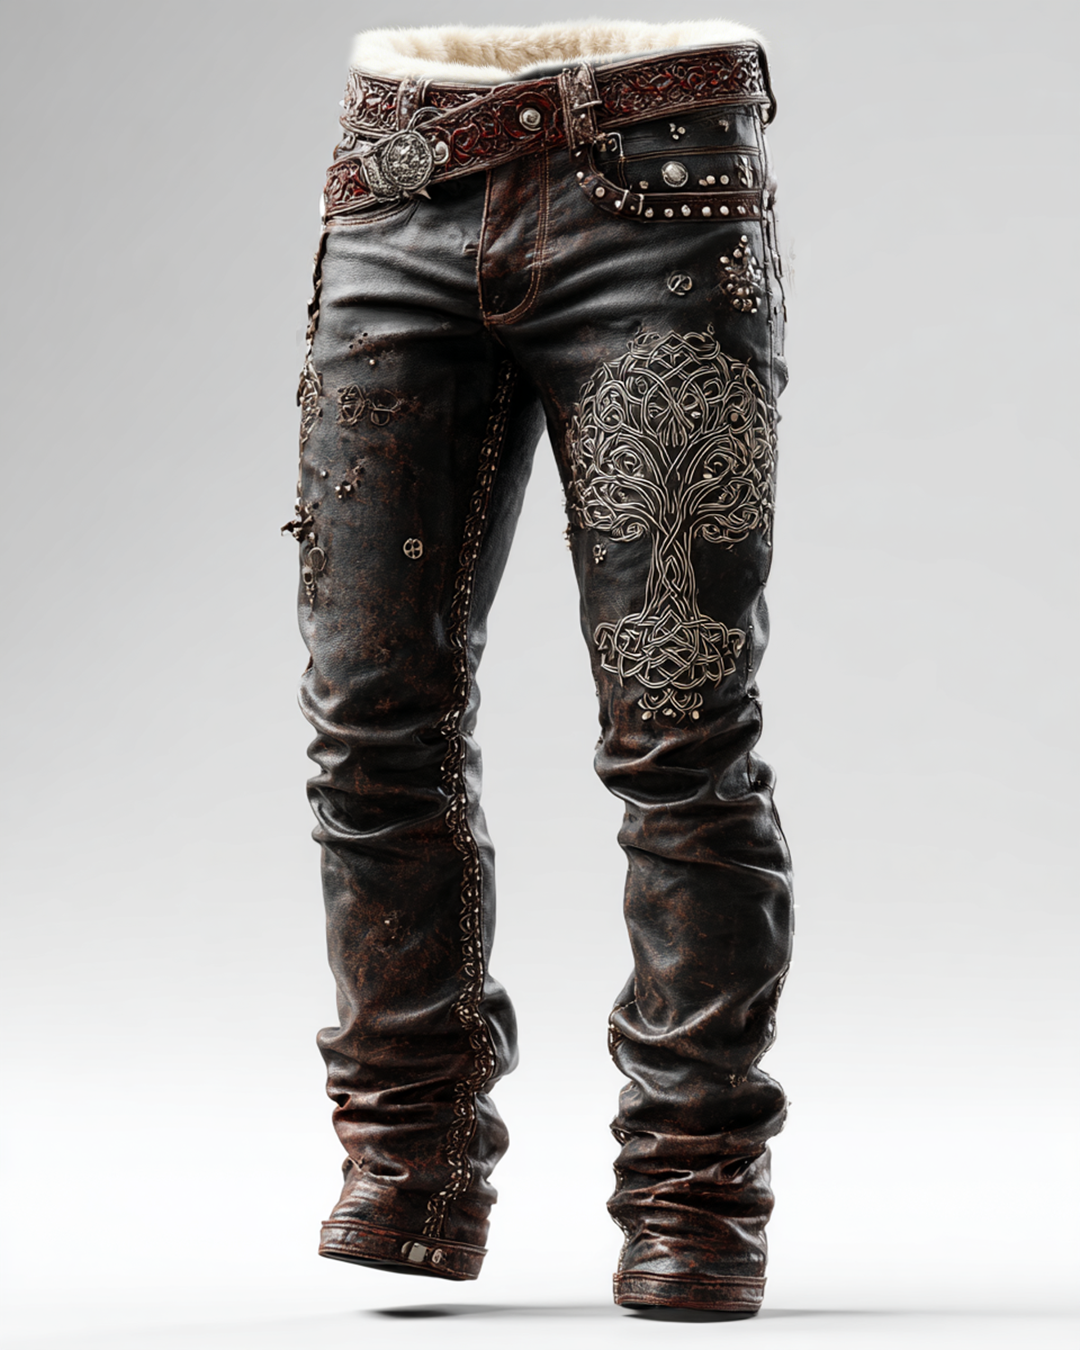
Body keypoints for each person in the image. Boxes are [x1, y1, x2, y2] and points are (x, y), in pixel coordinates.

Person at [286, 20, 793, 1316]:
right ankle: (409, 1164)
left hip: (664, 183)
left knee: (681, 733)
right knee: (366, 720)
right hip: (396, 177)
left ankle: (695, 1196)